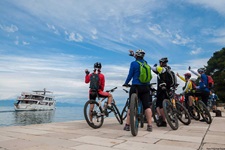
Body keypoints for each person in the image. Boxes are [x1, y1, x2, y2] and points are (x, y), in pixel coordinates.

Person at [123, 49, 153, 132]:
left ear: (136, 56)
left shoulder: (133, 63)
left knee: (130, 106)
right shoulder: (146, 63)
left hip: (136, 86)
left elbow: (130, 75)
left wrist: (126, 83)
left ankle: (127, 125)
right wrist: (133, 55)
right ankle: (150, 125)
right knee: (147, 106)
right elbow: (140, 60)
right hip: (146, 87)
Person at [151, 57, 173, 127]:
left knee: (159, 105)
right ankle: (170, 114)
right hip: (168, 89)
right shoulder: (168, 70)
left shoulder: (160, 69)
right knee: (165, 103)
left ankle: (162, 120)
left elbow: (152, 68)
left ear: (161, 63)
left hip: (161, 89)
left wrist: (154, 66)